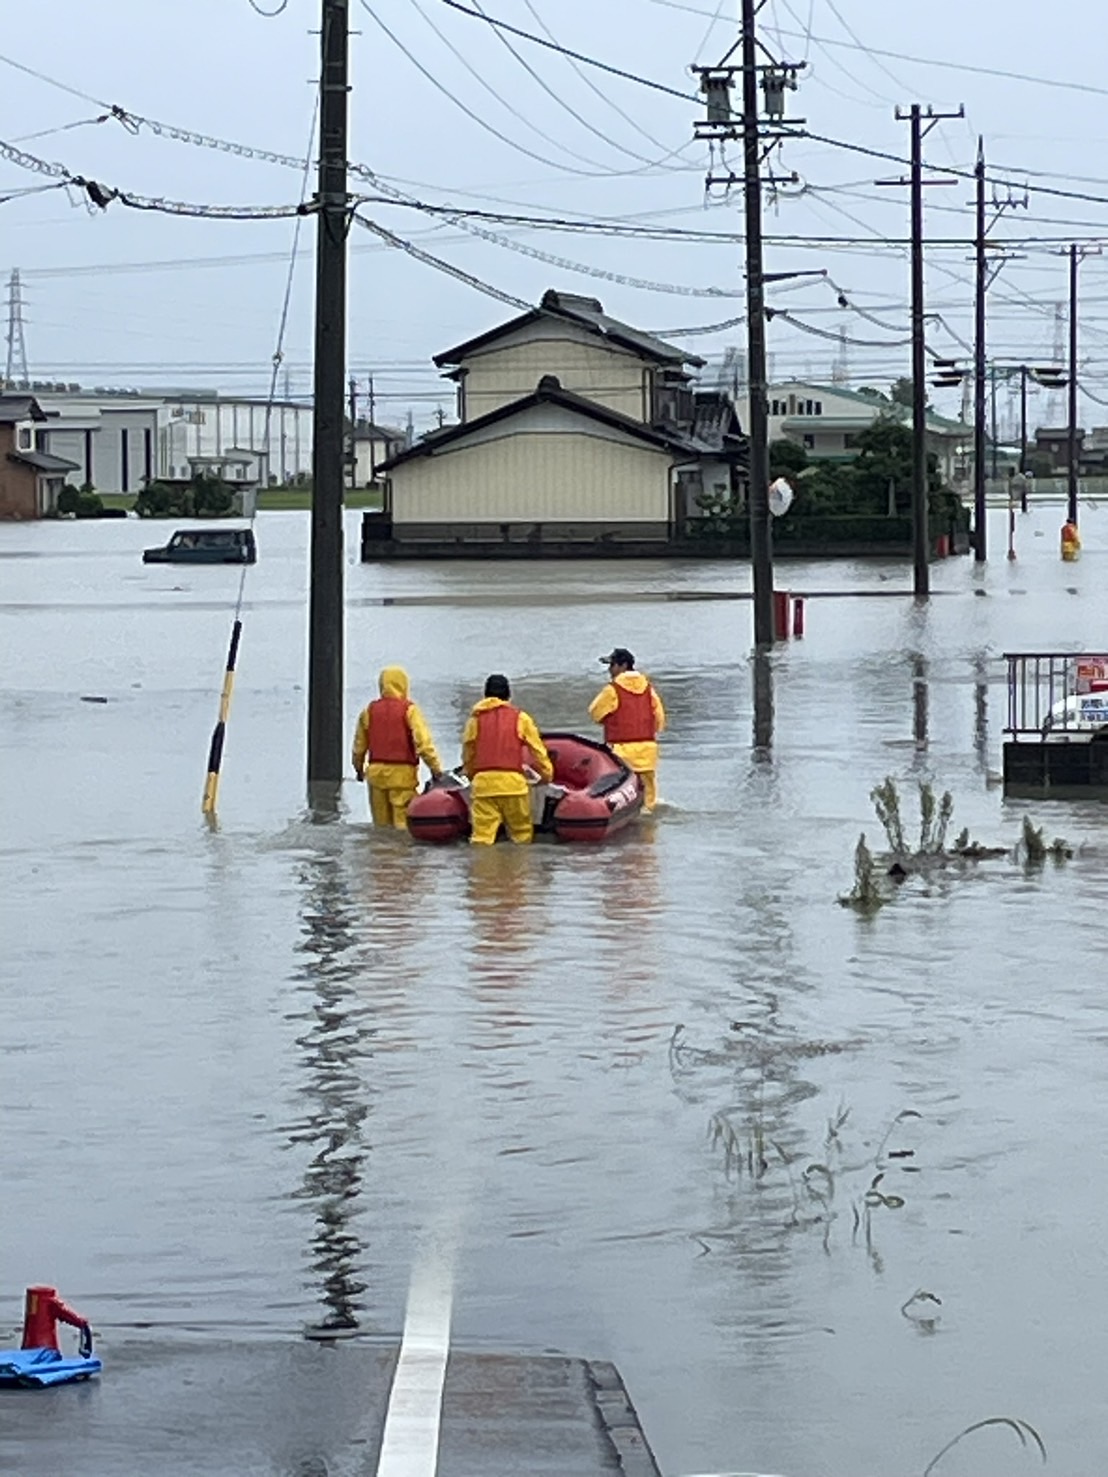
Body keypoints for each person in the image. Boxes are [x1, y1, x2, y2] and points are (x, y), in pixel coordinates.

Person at [461, 674, 553, 846]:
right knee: (521, 834)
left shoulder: (474, 720)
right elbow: (538, 750)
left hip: (484, 787)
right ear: (509, 695)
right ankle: (518, 868)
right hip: (514, 786)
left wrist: (472, 774)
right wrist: (547, 775)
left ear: (485, 695)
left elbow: (468, 752)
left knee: (482, 838)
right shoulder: (521, 718)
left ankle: (482, 870)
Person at [351, 665, 443, 830]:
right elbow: (423, 744)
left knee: (381, 827)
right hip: (402, 777)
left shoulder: (369, 711)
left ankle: (381, 854)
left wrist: (359, 769)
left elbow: (359, 746)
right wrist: (436, 769)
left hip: (376, 776)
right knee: (403, 827)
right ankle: (401, 855)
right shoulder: (410, 710)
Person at [589, 647, 665, 813]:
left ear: (623, 666)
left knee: (622, 794)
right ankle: (648, 833)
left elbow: (595, 713)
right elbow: (659, 719)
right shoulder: (648, 689)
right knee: (649, 801)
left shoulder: (612, 690)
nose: (610, 670)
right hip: (647, 750)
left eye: (612, 665)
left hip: (621, 752)